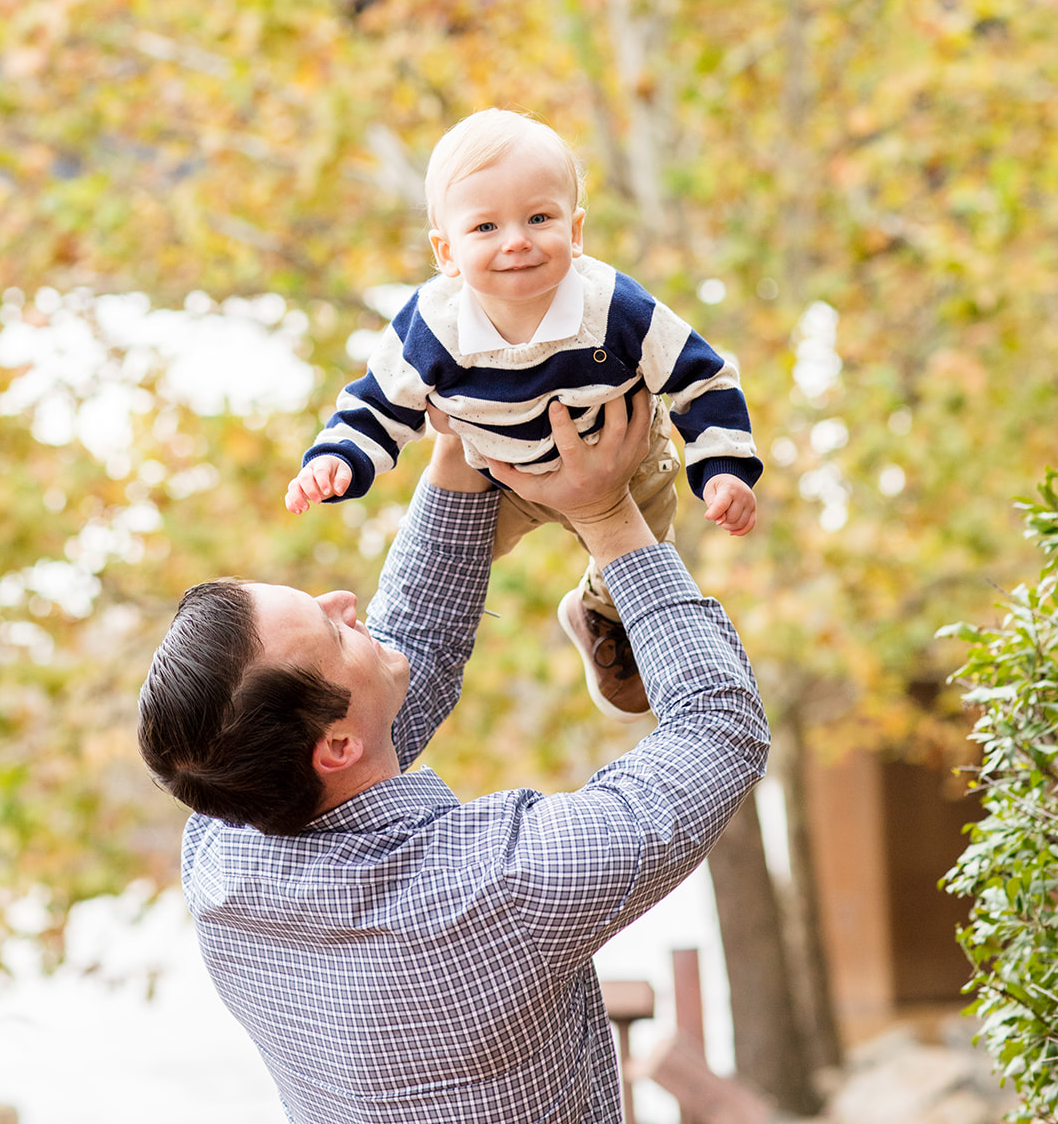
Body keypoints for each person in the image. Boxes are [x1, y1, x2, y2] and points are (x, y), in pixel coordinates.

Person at [138, 397, 769, 1124]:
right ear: (335, 748)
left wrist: (463, 436)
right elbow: (718, 730)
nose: (344, 600)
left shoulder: (222, 849)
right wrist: (606, 517)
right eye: (332, 632)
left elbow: (409, 647)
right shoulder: (500, 885)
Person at [285, 109, 762, 717]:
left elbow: (703, 375)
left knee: (643, 554)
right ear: (447, 250)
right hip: (500, 474)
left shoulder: (613, 308)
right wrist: (337, 459)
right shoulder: (432, 325)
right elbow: (378, 403)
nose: (516, 240)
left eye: (539, 218)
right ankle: (382, 687)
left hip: (624, 465)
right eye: (485, 226)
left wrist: (722, 467)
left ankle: (599, 610)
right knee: (446, 576)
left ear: (575, 230)